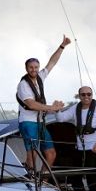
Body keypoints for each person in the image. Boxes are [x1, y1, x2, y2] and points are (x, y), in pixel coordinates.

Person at [16, 36, 70, 170]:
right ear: (26, 68)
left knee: (51, 153)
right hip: (28, 122)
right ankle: (31, 179)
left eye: (36, 67)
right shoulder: (23, 84)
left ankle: (43, 180)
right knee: (33, 154)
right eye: (31, 67)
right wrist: (52, 108)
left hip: (40, 122)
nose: (34, 70)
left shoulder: (40, 77)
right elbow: (31, 104)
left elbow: (52, 62)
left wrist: (62, 46)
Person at [56, 86, 96, 179]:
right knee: (75, 177)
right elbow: (61, 118)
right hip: (79, 148)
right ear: (79, 96)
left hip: (93, 148)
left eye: (89, 94)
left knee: (91, 178)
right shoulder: (75, 108)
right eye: (83, 94)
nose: (86, 96)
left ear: (92, 95)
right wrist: (57, 110)